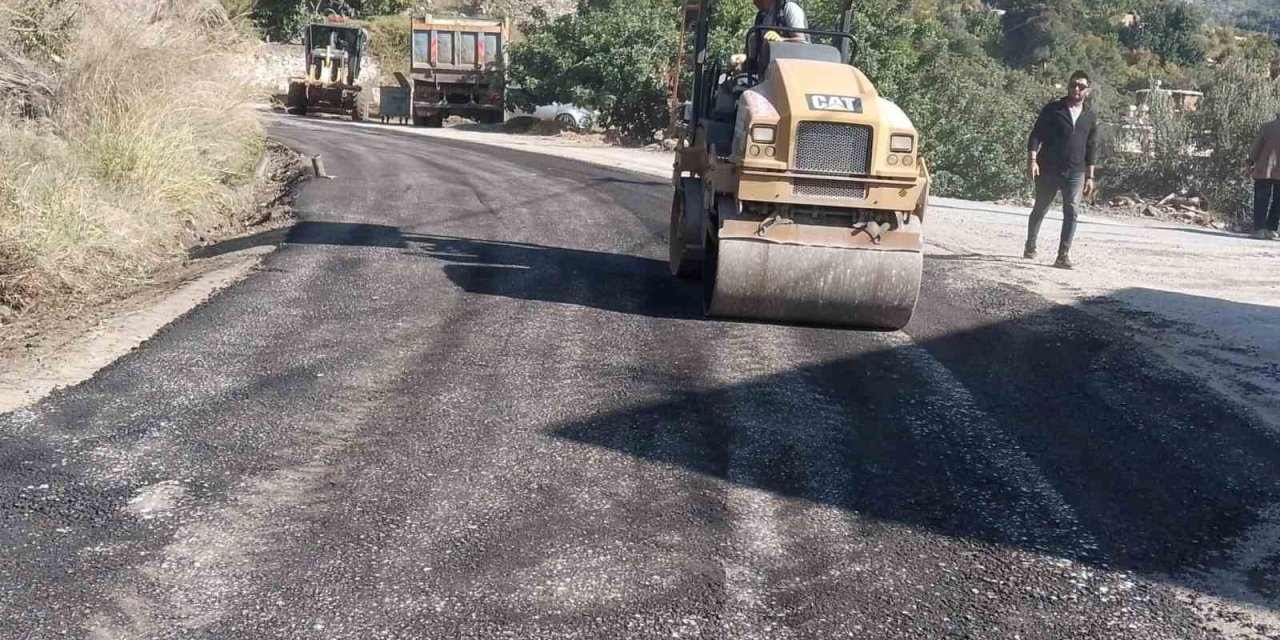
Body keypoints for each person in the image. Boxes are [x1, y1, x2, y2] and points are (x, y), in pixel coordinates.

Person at [1024, 70, 1099, 270]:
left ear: (1088, 91)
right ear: (1068, 86)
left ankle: (1063, 255)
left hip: (1076, 171)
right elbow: (1036, 135)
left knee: (1072, 211)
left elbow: (1091, 147)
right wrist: (1032, 160)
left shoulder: (1089, 116)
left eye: (1081, 87)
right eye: (1073, 85)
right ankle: (1030, 243)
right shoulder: (1053, 109)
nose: (1076, 89)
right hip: (1048, 168)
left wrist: (1090, 176)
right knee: (1041, 208)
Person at [1244, 111, 1280, 240]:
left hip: (1264, 169)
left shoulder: (1267, 127)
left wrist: (1248, 165)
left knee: (1261, 200)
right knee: (1278, 201)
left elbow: (1255, 147)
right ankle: (1272, 229)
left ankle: (1259, 229)